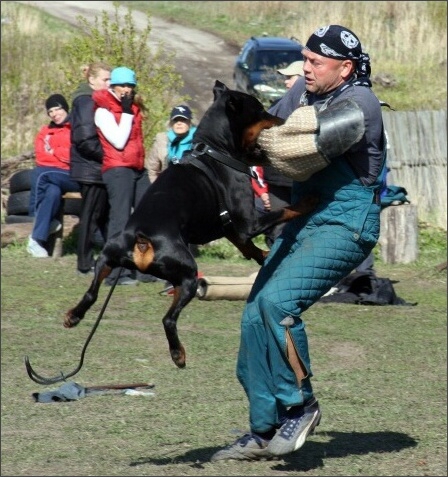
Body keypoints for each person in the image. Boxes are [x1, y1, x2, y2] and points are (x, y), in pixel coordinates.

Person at [211, 25, 387, 461]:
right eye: (304, 59)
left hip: (347, 222)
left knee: (278, 306)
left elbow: (299, 152)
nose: (304, 69)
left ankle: (301, 404)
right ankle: (263, 429)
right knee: (254, 314)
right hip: (306, 218)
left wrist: (257, 141)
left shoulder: (360, 102)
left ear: (345, 68)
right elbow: (255, 131)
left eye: (315, 62)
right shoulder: (303, 95)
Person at [92, 66, 152, 286]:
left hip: (136, 168)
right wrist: (126, 113)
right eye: (122, 85)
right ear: (113, 86)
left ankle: (145, 268)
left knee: (148, 217)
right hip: (118, 170)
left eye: (130, 86)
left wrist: (129, 110)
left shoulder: (132, 107)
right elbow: (118, 141)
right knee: (121, 221)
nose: (127, 89)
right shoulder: (103, 111)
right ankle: (114, 274)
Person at [70, 61, 112, 276]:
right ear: (92, 80)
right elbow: (84, 138)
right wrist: (109, 157)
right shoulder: (87, 101)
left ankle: (111, 257)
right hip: (91, 168)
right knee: (91, 215)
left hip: (95, 167)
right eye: (105, 79)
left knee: (102, 215)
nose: (109, 83)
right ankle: (84, 262)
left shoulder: (95, 100)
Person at [27, 94, 81, 258]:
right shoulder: (46, 131)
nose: (54, 114)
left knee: (40, 174)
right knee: (52, 191)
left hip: (74, 175)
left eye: (57, 109)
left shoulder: (76, 127)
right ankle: (37, 239)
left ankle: (35, 223)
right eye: (50, 111)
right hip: (54, 174)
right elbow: (41, 156)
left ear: (65, 108)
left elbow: (73, 156)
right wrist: (57, 156)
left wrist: (54, 152)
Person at [146, 104, 197, 183]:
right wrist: (158, 188)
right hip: (166, 187)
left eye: (183, 120)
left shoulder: (198, 141)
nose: (179, 123)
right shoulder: (161, 140)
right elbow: (152, 170)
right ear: (171, 123)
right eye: (176, 120)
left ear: (189, 122)